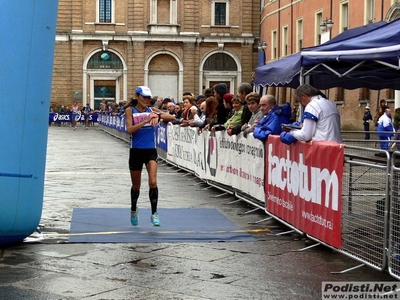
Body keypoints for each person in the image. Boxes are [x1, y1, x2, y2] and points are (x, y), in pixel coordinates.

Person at [125, 86, 175, 227]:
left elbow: (171, 117)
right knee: (136, 186)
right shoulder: (130, 110)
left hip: (150, 151)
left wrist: (157, 116)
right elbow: (129, 130)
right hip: (136, 151)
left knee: (153, 182)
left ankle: (154, 213)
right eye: (144, 97)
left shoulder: (152, 110)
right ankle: (134, 208)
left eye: (149, 98)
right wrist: (146, 121)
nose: (147, 100)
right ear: (137, 96)